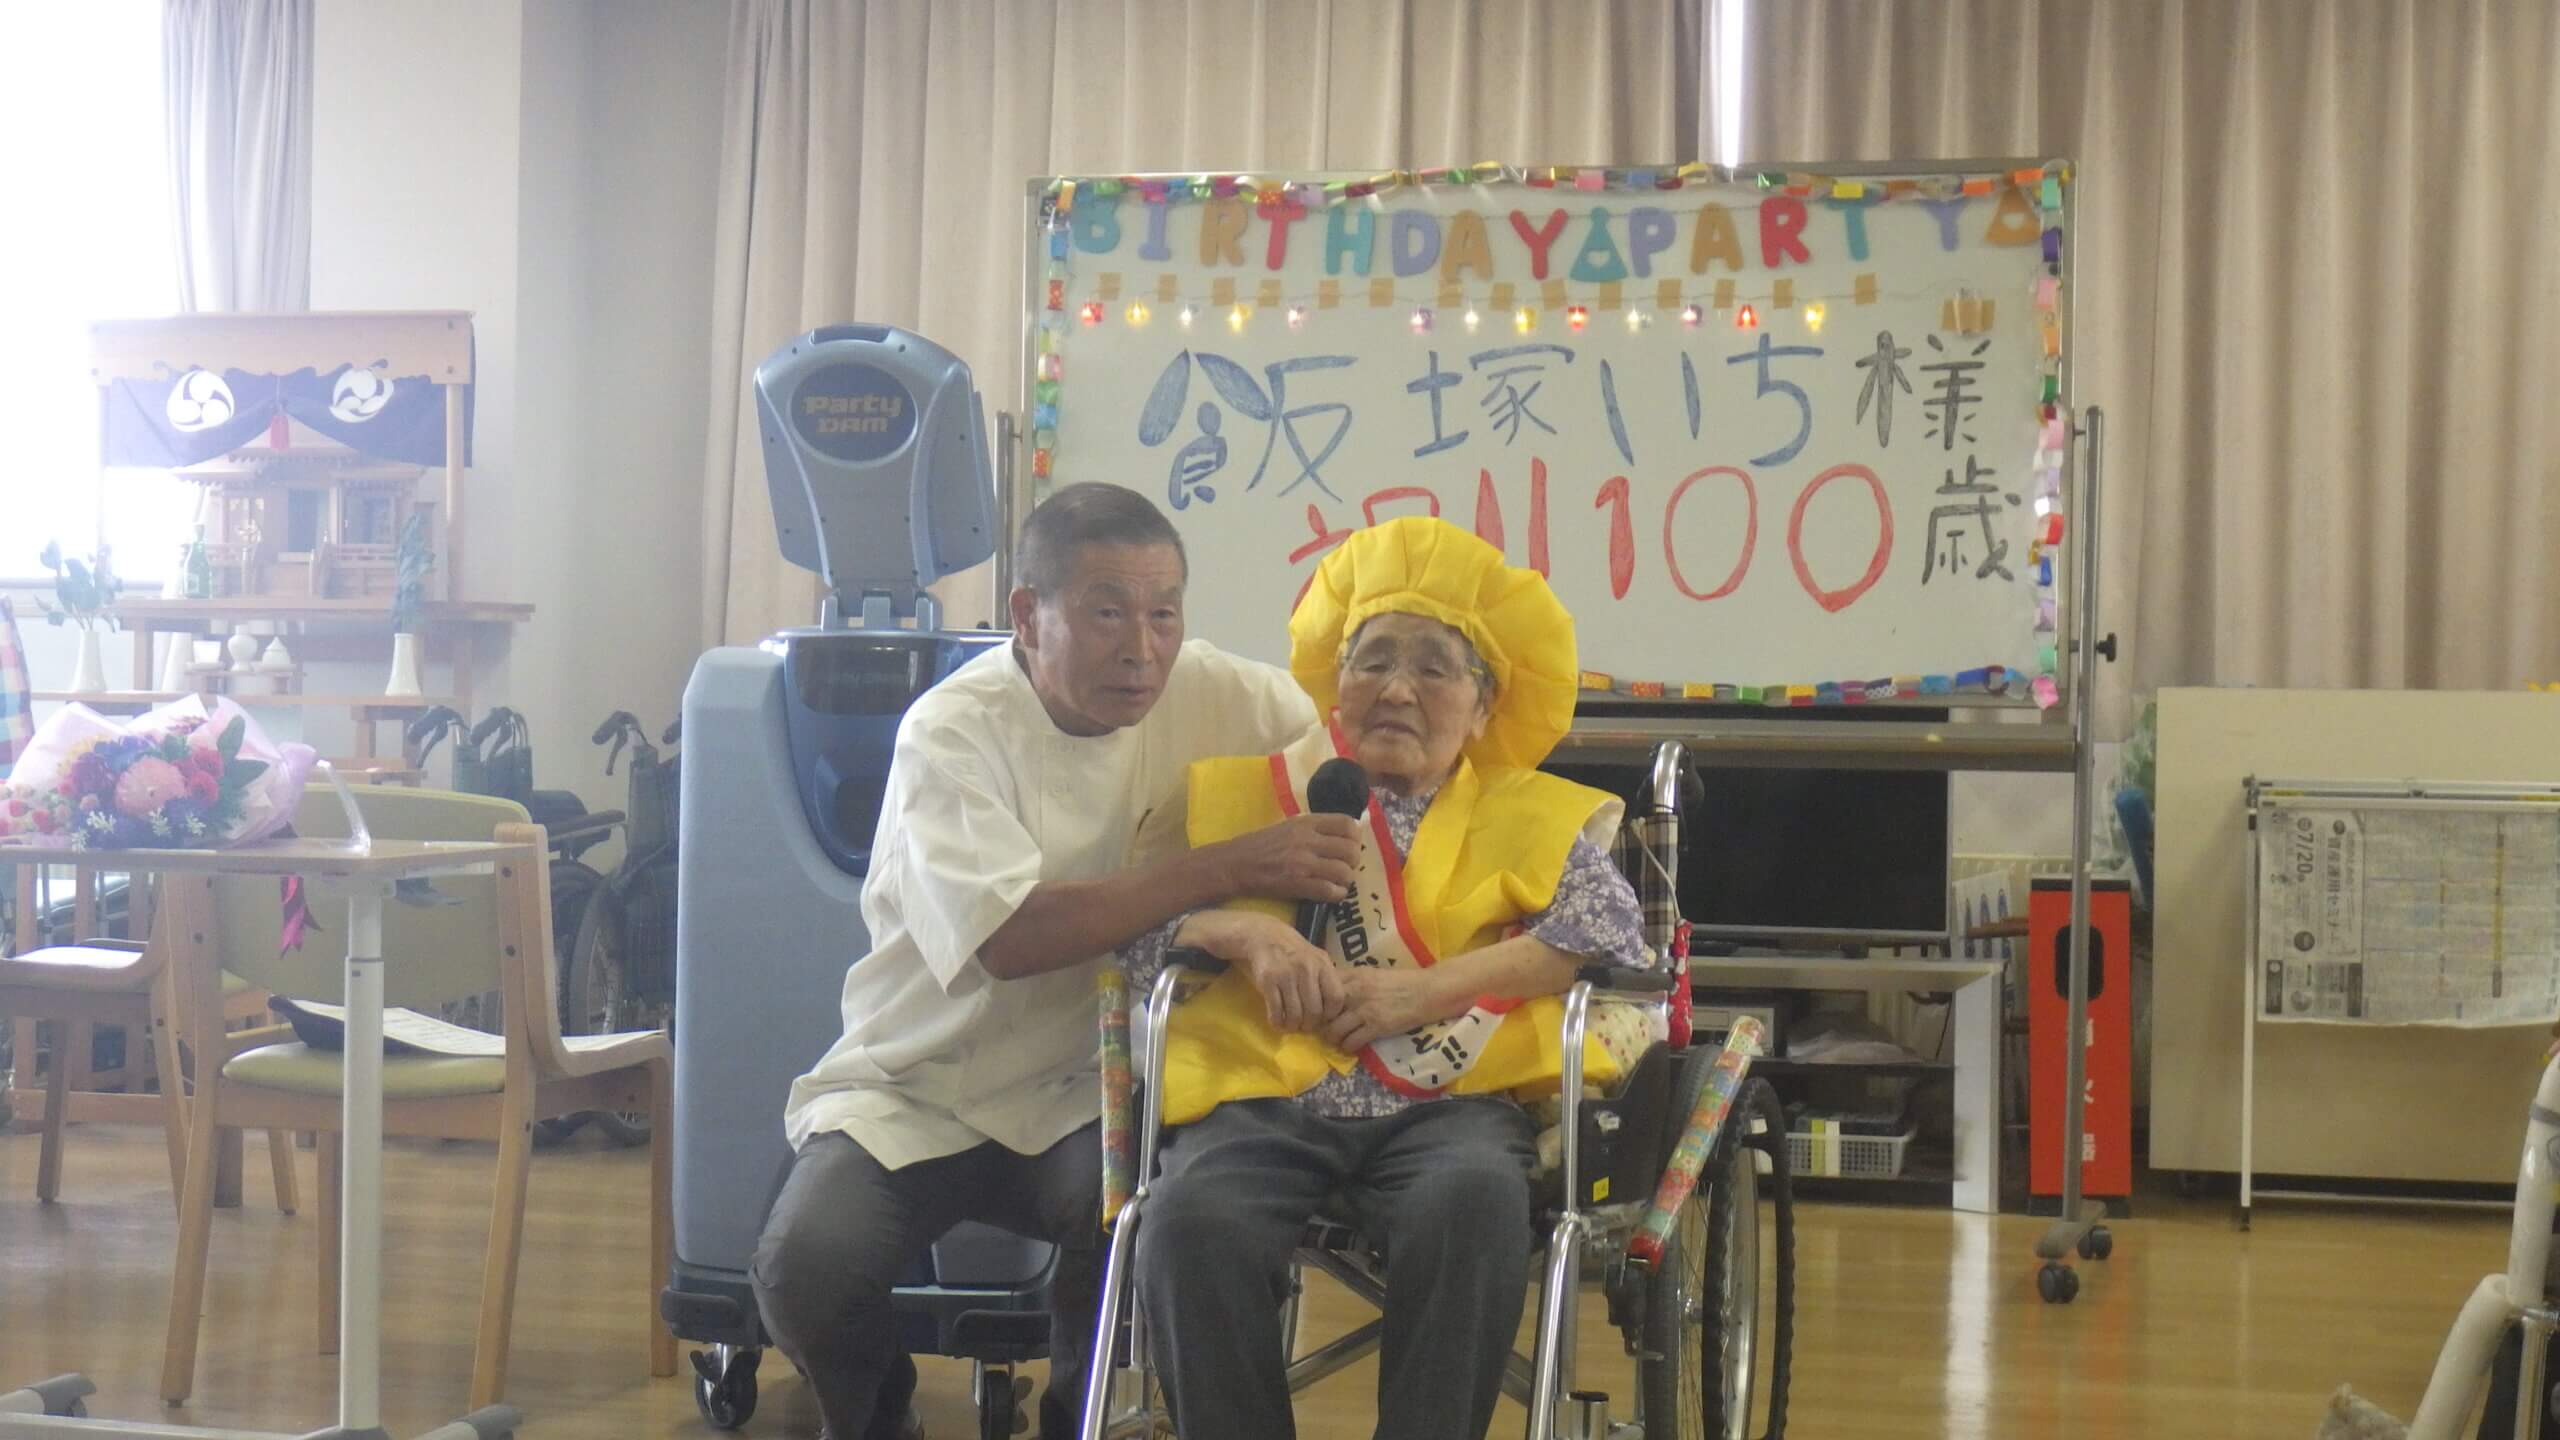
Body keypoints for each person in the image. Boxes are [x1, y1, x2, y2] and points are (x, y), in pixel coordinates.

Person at [751, 484, 1359, 1440]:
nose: (1142, 647)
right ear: (1028, 618)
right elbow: (1014, 938)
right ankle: (880, 1419)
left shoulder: (1231, 697)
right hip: (923, 1081)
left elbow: (1351, 778)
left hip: (1099, 1083)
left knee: (1147, 1217)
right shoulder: (951, 732)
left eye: (1164, 614)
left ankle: (1082, 1420)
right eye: (1107, 612)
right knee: (805, 1265)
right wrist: (1229, 870)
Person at [1121, 516, 1658, 1440]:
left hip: (1452, 1108)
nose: (1397, 689)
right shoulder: (1240, 793)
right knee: (1187, 1218)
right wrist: (1240, 934)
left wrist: (1429, 989)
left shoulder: (1529, 814)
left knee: (1476, 1203)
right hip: (1264, 1100)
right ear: (1335, 683)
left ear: (1484, 707)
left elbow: (1608, 928)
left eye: (1434, 668)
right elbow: (1136, 936)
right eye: (1371, 661)